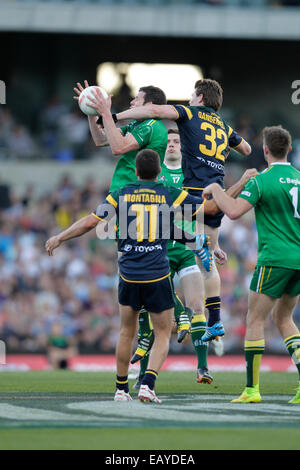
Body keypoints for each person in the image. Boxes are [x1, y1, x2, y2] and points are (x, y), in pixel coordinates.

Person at [46, 149, 222, 404]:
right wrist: (216, 189)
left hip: (128, 274)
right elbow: (211, 208)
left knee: (126, 332)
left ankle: (120, 389)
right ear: (159, 172)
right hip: (157, 275)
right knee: (162, 332)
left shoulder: (121, 193)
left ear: (136, 172)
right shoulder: (168, 192)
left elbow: (89, 223)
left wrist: (59, 237)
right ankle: (147, 385)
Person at [89, 78, 252, 342]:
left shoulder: (187, 113)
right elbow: (246, 148)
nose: (189, 99)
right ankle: (215, 319)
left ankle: (173, 312)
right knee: (207, 258)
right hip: (217, 190)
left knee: (154, 245)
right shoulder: (223, 124)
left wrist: (113, 114)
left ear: (199, 97)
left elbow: (155, 112)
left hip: (192, 190)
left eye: (191, 95)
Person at [202, 125, 300, 404]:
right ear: (289, 149)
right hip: (298, 260)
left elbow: (232, 212)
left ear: (266, 150)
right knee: (283, 318)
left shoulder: (261, 181)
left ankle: (252, 390)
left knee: (254, 319)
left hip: (274, 259)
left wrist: (216, 190)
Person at [132, 129, 228, 387]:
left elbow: (203, 210)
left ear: (183, 147)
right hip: (159, 248)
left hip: (185, 249)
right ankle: (143, 375)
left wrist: (212, 243)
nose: (172, 145)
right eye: (170, 142)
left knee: (197, 305)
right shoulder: (154, 173)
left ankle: (202, 368)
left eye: (177, 141)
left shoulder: (190, 174)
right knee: (151, 313)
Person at [73, 80, 168, 193]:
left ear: (149, 104)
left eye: (137, 99)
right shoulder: (135, 125)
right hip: (123, 189)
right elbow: (101, 140)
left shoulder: (151, 125)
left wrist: (106, 114)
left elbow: (118, 148)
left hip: (136, 191)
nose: (131, 102)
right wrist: (91, 109)